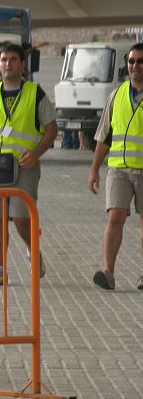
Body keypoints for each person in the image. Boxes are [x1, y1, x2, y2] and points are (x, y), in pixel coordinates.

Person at [0, 42, 58, 286]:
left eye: (13, 59)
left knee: (20, 217)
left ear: (22, 64)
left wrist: (37, 152)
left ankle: (32, 250)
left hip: (25, 165)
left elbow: (51, 128)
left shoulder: (35, 93)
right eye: (4, 60)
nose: (8, 64)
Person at [88, 43, 143, 291]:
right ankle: (108, 272)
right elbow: (104, 137)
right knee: (115, 218)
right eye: (131, 61)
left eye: (140, 62)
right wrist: (94, 169)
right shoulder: (117, 94)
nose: (135, 66)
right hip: (118, 169)